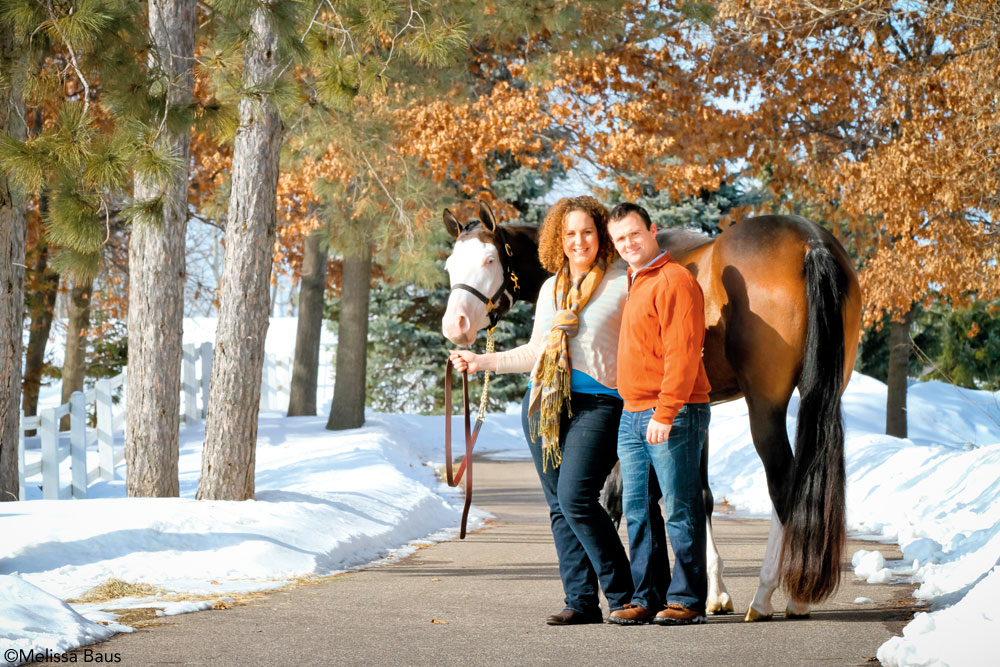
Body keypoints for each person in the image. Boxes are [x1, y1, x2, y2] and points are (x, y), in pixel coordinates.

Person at [450, 196, 633, 625]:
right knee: (558, 505)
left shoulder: (624, 283)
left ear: (600, 234)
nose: (578, 241)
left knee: (576, 498)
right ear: (557, 238)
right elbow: (535, 351)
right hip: (543, 402)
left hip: (599, 402)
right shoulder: (552, 288)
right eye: (569, 233)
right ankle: (581, 602)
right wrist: (481, 362)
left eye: (587, 231)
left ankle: (623, 595)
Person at [604, 202, 712, 626]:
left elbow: (683, 355)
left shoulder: (675, 281)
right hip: (633, 414)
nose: (628, 243)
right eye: (620, 239)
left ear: (652, 230)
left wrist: (665, 413)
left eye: (634, 234)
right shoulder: (636, 280)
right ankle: (646, 597)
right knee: (638, 509)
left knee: (680, 509)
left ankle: (687, 600)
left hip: (674, 411)